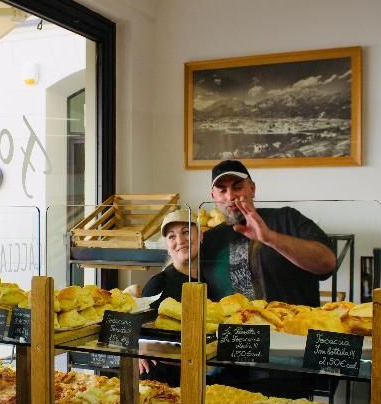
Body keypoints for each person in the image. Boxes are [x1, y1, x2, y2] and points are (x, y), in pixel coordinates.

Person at [200, 160, 336, 307]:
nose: (230, 196)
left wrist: (270, 237)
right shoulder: (209, 239)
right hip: (233, 328)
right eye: (222, 190)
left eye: (237, 187)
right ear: (213, 197)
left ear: (252, 188)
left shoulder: (286, 218)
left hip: (292, 327)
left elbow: (327, 263)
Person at [138, 209, 199, 385]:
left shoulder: (207, 281)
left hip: (194, 376)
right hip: (159, 381)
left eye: (186, 232)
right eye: (172, 237)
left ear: (200, 237)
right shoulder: (159, 283)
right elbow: (138, 328)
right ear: (167, 246)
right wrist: (137, 347)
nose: (180, 241)